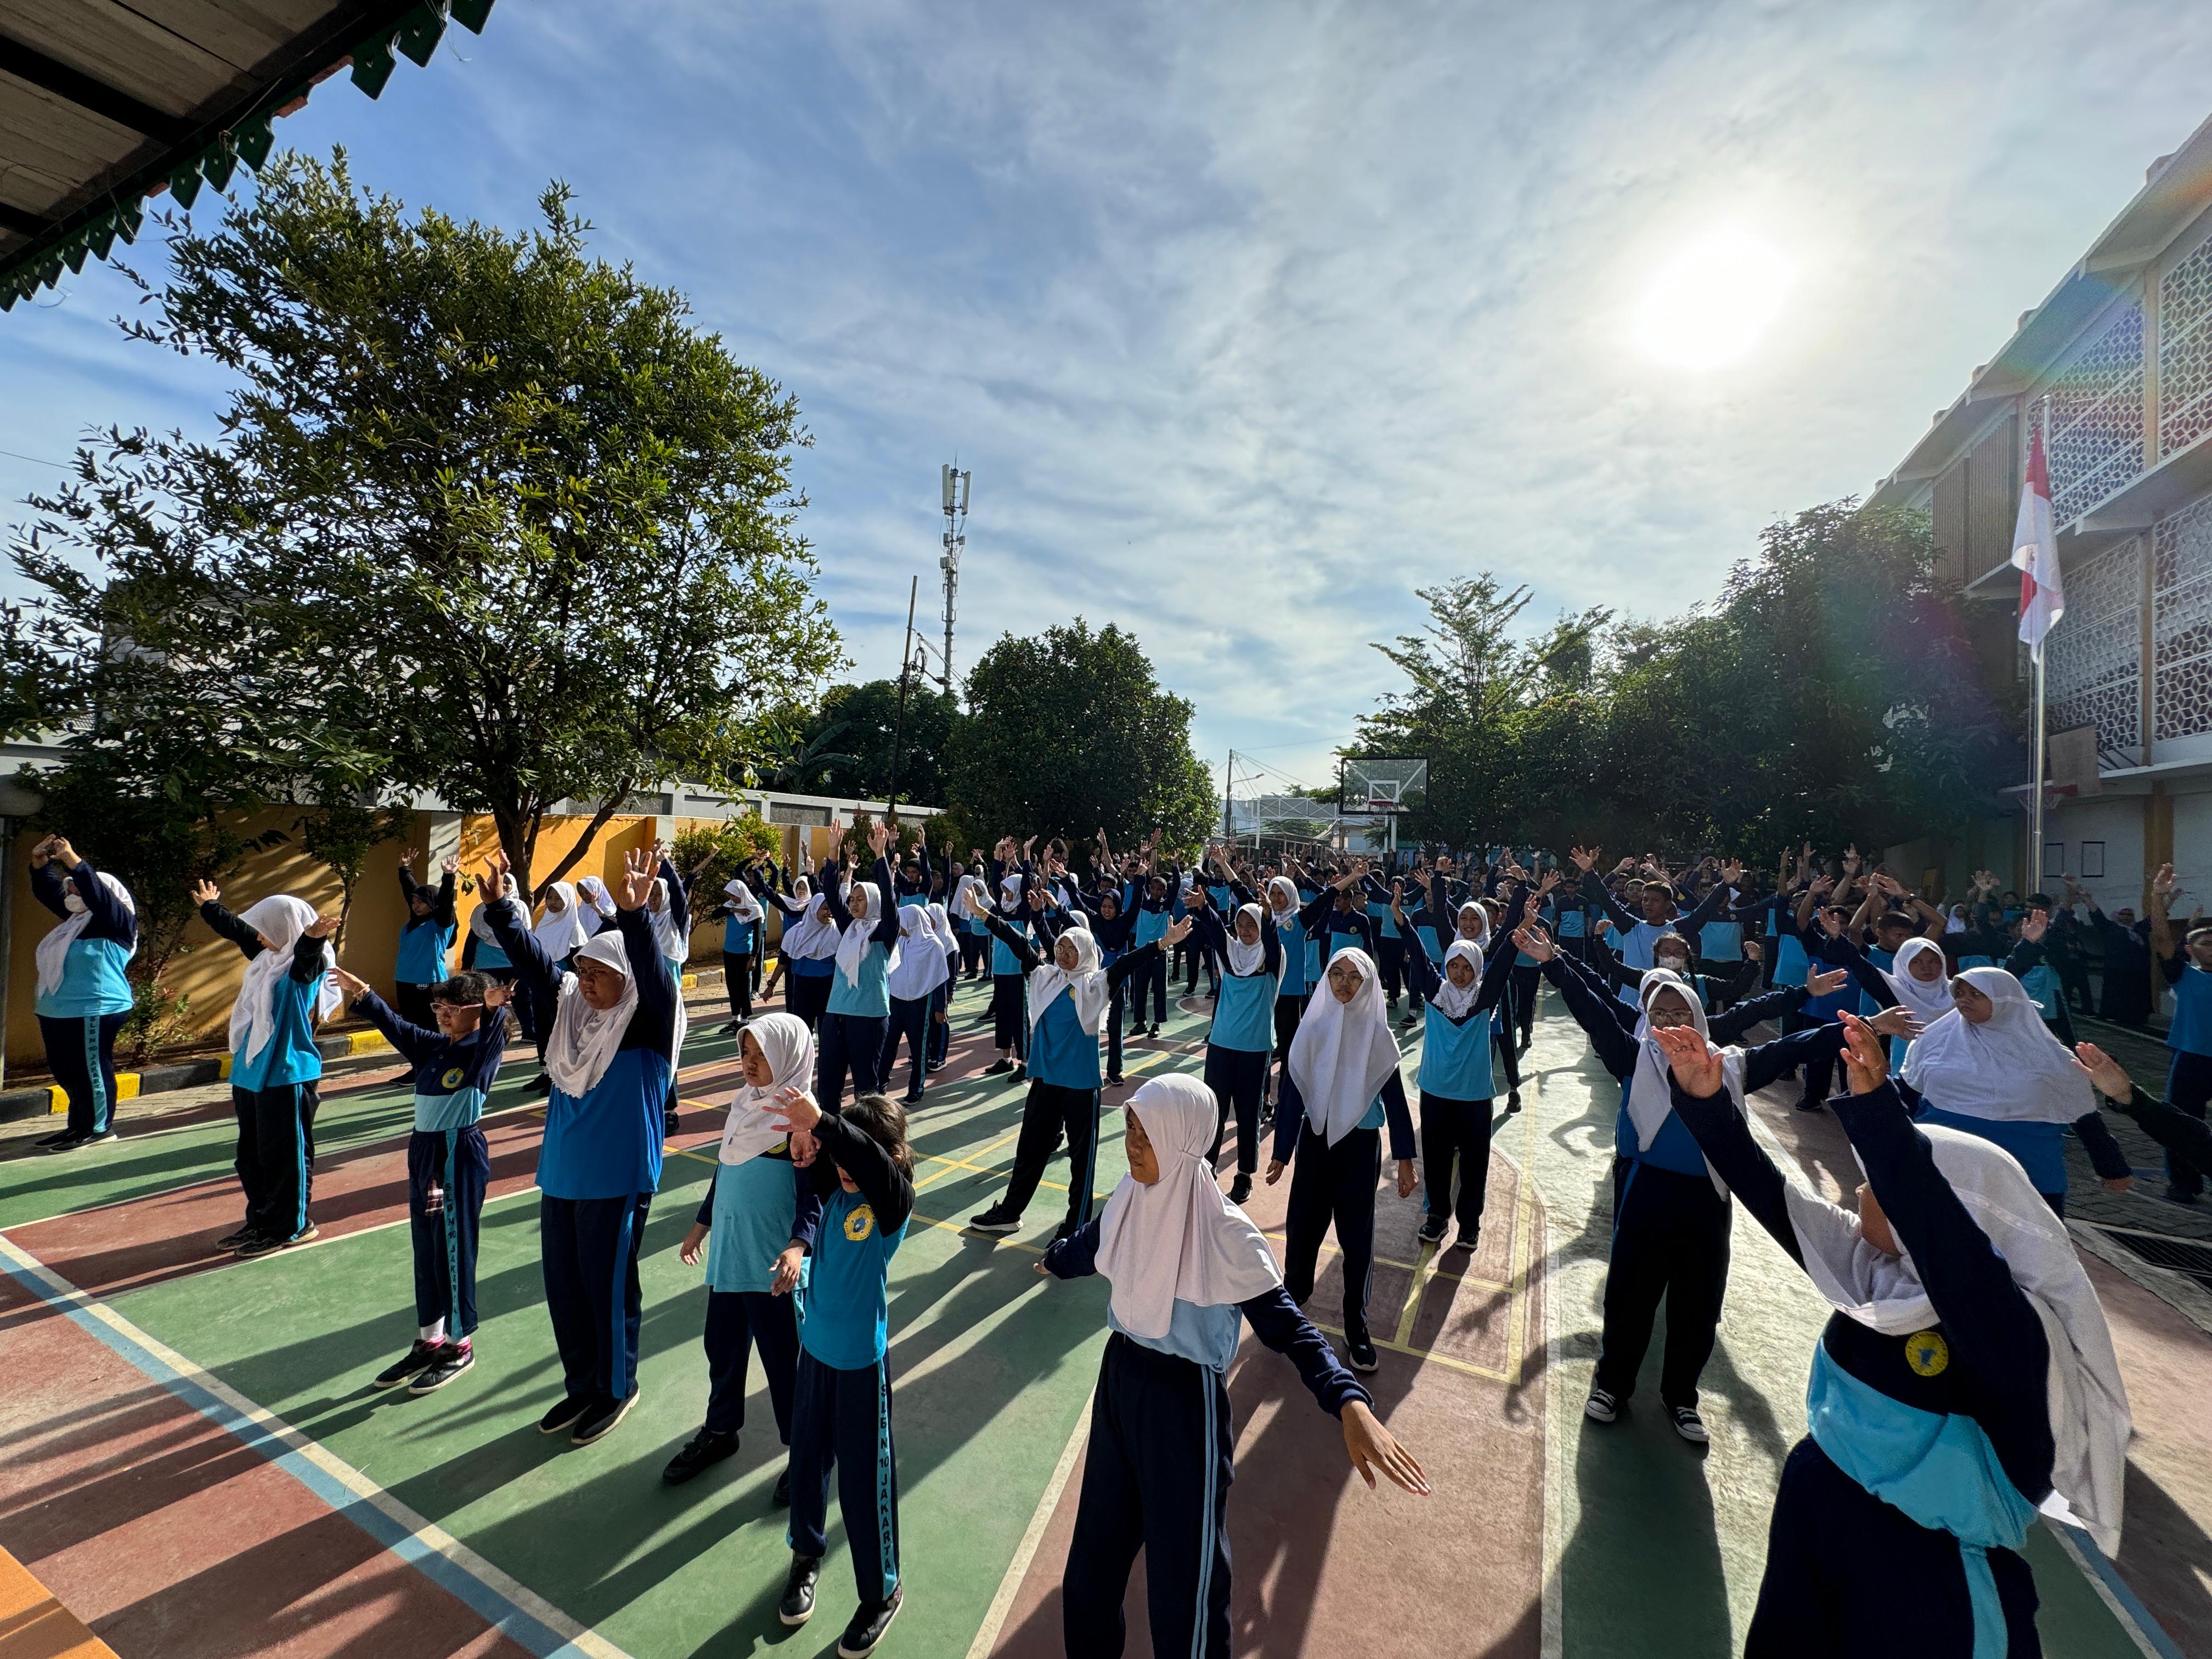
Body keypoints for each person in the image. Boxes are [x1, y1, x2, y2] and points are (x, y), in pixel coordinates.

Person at [1650, 1013, 2128, 1657]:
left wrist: (1881, 1117)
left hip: (1927, 1586)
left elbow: (1952, 1251)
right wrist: (1707, 1101)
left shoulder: (2008, 1330)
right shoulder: (1875, 1275)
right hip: (1821, 1519)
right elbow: (1771, 1194)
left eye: (1877, 1184)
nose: (1857, 1189)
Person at [1040, 1074, 1429, 1658]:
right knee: (1091, 1572)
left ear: (1182, 1141)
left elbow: (1291, 1329)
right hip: (1119, 1382)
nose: (1133, 1146)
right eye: (1129, 1131)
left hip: (1183, 1409)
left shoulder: (1224, 1232)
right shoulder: (1128, 1199)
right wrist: (1054, 1259)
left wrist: (1349, 1401)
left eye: (1146, 1135)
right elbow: (1093, 1244)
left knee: (1187, 1594)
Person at [1518, 918, 1870, 1441]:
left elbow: (1791, 1048)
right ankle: (1612, 1384)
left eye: (1680, 1013)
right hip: (1646, 1188)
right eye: (1657, 1014)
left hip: (1709, 1197)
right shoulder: (1633, 1057)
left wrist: (1857, 1030)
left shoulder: (1733, 1066)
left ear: (1700, 1018)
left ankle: (1682, 1397)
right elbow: (1591, 1008)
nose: (1668, 1023)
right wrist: (1553, 963)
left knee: (1698, 1301)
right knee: (1630, 1294)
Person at [484, 845, 679, 1447]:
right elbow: (541, 969)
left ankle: (617, 1388)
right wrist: (503, 912)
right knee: (565, 1289)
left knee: (607, 1286)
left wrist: (635, 915)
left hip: (617, 1176)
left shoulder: (646, 1022)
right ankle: (582, 1384)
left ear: (627, 982)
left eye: (602, 974)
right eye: (586, 971)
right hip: (564, 1174)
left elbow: (652, 977)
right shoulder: (573, 1017)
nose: (589, 982)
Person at [763, 1087, 916, 1657]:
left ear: (891, 1156)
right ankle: (806, 1556)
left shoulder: (890, 1206)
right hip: (816, 1359)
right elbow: (812, 1178)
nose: (847, 1168)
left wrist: (825, 1123)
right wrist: (808, 1143)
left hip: (859, 1368)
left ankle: (882, 1592)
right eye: (842, 1158)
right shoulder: (835, 1188)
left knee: (862, 1483)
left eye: (859, 1156)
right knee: (805, 1466)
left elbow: (873, 1168)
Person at [967, 887, 1187, 1239]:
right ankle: (1010, 1213)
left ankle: (1076, 1227)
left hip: (1081, 1086)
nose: (1065, 954)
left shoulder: (1097, 985)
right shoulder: (1045, 978)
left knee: (1081, 1162)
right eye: (1061, 947)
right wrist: (982, 913)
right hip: (1046, 1081)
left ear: (1085, 953)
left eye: (1072, 949)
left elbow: (1128, 963)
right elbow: (1018, 943)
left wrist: (1163, 943)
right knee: (1029, 1151)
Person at [332, 963, 511, 1395]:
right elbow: (394, 1026)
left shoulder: (481, 1049)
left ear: (477, 1012)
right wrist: (365, 995)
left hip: (457, 1153)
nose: (442, 1014)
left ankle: (459, 1344)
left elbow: (494, 1036)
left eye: (453, 1007)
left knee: (454, 1247)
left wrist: (497, 1011)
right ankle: (430, 1339)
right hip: (424, 1154)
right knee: (427, 1247)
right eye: (438, 1006)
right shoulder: (434, 1048)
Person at [667, 1012, 821, 1493]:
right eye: (745, 1053)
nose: (750, 1064)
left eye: (762, 1056)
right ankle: (720, 1430)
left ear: (788, 1058)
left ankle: (805, 1452)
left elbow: (814, 1196)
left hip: (774, 1268)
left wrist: (799, 1246)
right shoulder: (744, 1105)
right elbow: (726, 1170)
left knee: (784, 1361)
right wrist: (700, 1226)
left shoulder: (800, 1119)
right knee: (723, 1348)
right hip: (731, 1258)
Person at [1269, 948, 1419, 1374]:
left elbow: (1394, 1099)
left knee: (1356, 1239)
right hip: (1315, 1142)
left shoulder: (1376, 1036)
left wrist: (1405, 1158)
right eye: (1337, 975)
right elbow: (1294, 1092)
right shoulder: (1312, 1027)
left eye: (1355, 977)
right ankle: (1294, 1298)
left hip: (1359, 1148)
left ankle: (1356, 1322)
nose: (1344, 984)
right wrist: (1282, 1153)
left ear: (1369, 984)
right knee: (1303, 1226)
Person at [1900, 968, 2132, 1216]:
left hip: (2028, 1174)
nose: (1964, 1000)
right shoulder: (1933, 1040)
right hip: (1944, 1165)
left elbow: (2083, 1114)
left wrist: (2112, 1167)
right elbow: (1905, 1096)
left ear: (2006, 1000)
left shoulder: (2052, 1058)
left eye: (1977, 994)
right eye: (1960, 993)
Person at [192, 881, 342, 1257]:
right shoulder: (267, 961)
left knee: (284, 1157)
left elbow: (308, 960)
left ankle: (290, 1226)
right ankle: (261, 1220)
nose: (258, 936)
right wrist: (212, 908)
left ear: (285, 929)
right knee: (251, 1157)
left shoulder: (305, 964)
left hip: (287, 1074)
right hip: (251, 1072)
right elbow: (241, 933)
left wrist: (309, 939)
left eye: (266, 928)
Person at [1394, 883, 1521, 1249]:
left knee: (1474, 1165)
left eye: (1467, 967)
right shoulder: (1436, 992)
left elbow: (1503, 963)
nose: (1460, 972)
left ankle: (1469, 1224)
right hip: (1435, 1092)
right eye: (1454, 965)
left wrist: (1521, 924)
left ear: (1477, 969)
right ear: (1446, 964)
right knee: (1434, 1160)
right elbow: (1418, 955)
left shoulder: (1484, 999)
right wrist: (1402, 921)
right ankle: (1436, 1217)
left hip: (1475, 1097)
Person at [29, 834, 136, 1153]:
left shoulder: (116, 922)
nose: (70, 889)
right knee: (66, 1069)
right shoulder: (75, 923)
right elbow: (50, 893)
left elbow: (96, 893)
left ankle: (100, 1128)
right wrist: (40, 864)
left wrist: (71, 858)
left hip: (96, 1007)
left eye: (75, 885)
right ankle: (77, 1126)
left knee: (92, 1069)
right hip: (57, 1009)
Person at [1187, 859, 1284, 1205]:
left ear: (1261, 926)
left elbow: (1272, 943)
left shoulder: (1271, 961)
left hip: (1255, 1048)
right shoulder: (1230, 955)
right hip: (1221, 1044)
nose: (1244, 930)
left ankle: (1244, 1175)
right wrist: (1204, 907)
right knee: (1214, 1108)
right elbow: (1216, 930)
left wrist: (1270, 917)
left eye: (1251, 924)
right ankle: (1208, 1165)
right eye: (1240, 924)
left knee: (1247, 1113)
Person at [817, 822, 903, 1106]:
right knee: (828, 1085)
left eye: (860, 899)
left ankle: (870, 1142)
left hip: (868, 1016)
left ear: (874, 902)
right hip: (836, 1014)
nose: (853, 904)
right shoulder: (850, 928)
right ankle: (827, 1140)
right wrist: (833, 851)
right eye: (852, 899)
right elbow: (831, 892)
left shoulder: (884, 932)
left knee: (866, 1090)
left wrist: (880, 855)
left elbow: (890, 903)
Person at [2148, 862, 2211, 1204]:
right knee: (2183, 1123)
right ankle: (2184, 1183)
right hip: (2193, 1057)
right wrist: (2158, 898)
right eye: (2206, 942)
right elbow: (2160, 937)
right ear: (2190, 950)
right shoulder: (2185, 976)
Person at [878, 898, 949, 1106]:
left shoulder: (933, 945)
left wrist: (940, 1007)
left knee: (918, 1048)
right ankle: (880, 1085)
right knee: (888, 1044)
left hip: (919, 1004)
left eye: (902, 922)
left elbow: (939, 978)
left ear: (912, 922)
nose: (899, 927)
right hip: (895, 1001)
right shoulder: (899, 941)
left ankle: (916, 1089)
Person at [392, 847, 459, 1028]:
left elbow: (445, 901)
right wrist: (405, 869)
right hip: (404, 978)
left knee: (429, 1023)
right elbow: (410, 890)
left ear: (432, 903)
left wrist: (448, 877)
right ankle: (417, 1055)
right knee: (410, 1023)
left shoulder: (440, 924)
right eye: (414, 902)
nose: (415, 905)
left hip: (429, 980)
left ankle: (435, 1055)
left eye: (421, 902)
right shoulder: (414, 921)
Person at [716, 873, 766, 1034]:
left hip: (744, 953)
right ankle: (735, 1019)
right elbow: (715, 914)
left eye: (734, 895)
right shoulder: (730, 907)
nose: (732, 897)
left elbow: (758, 935)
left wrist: (753, 958)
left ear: (742, 894)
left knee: (744, 987)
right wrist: (733, 908)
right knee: (732, 986)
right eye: (730, 895)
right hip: (729, 951)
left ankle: (745, 1020)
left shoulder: (754, 909)